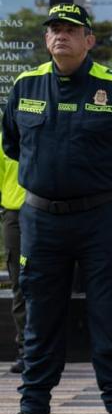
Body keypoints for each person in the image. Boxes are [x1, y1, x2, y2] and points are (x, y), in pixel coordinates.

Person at [0, 2, 112, 414]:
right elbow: (12, 143)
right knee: (39, 317)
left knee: (109, 316)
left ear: (89, 41)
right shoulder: (25, 84)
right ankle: (33, 412)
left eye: (71, 29)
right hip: (41, 220)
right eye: (54, 30)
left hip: (100, 218)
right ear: (46, 40)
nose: (61, 35)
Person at [0, 139, 26, 374]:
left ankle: (48, 347)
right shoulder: (2, 141)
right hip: (14, 217)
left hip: (48, 212)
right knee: (19, 283)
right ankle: (25, 350)